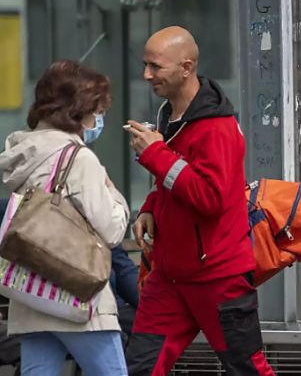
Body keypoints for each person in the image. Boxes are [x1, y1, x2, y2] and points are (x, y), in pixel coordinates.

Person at [124, 26, 274, 375]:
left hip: (219, 278)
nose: (146, 75)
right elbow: (176, 181)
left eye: (155, 67)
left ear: (186, 67)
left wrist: (155, 153)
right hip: (170, 276)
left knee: (247, 370)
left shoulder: (217, 127)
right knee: (139, 369)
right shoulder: (170, 115)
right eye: (146, 65)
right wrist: (150, 207)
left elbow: (210, 199)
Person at [0, 60, 130, 375]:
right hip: (79, 299)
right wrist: (115, 195)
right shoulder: (79, 159)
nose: (99, 119)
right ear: (78, 110)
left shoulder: (23, 154)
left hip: (32, 297)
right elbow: (112, 231)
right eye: (97, 111)